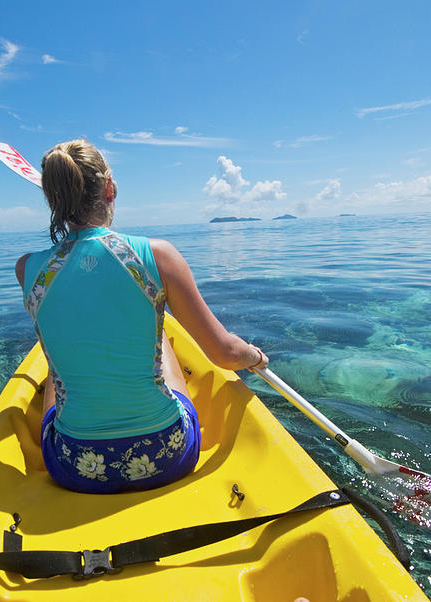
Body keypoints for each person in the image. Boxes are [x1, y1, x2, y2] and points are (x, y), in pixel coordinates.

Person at [15, 139, 268, 494]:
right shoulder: (158, 256)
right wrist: (254, 356)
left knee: (57, 368)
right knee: (155, 322)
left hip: (75, 465)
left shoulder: (27, 268)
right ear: (109, 188)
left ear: (53, 198)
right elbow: (224, 353)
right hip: (167, 455)